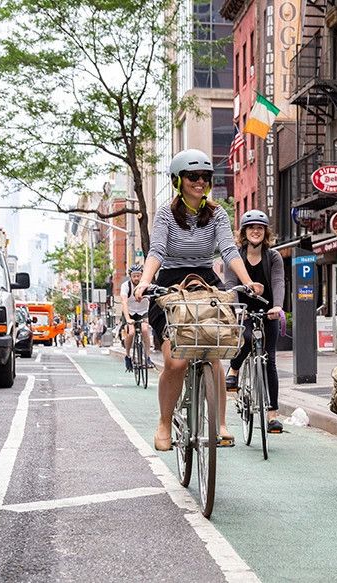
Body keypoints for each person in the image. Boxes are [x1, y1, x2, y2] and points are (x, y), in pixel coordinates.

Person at [134, 149, 263, 451]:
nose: (200, 182)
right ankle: (165, 422)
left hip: (206, 281)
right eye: (193, 176)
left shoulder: (217, 213)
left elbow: (229, 251)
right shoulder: (166, 213)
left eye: (205, 176)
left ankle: (219, 422)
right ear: (178, 181)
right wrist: (144, 281)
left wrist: (247, 282)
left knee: (214, 352)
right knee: (176, 362)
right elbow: (157, 252)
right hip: (169, 283)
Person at [223, 210, 285, 434]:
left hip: (268, 312)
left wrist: (277, 306)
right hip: (243, 311)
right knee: (248, 338)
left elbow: (278, 282)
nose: (256, 231)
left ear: (265, 232)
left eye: (260, 227)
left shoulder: (274, 257)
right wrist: (239, 310)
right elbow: (231, 284)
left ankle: (272, 415)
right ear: (244, 232)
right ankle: (235, 368)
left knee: (269, 360)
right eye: (251, 227)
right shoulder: (234, 256)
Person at [120, 264, 152, 371]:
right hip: (129, 312)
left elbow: (152, 300)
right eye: (134, 276)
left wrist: (149, 317)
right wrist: (128, 319)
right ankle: (128, 355)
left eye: (138, 276)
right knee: (131, 332)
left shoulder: (147, 286)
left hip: (143, 311)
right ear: (130, 276)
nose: (136, 278)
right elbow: (124, 303)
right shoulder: (126, 286)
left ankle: (147, 357)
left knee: (145, 329)